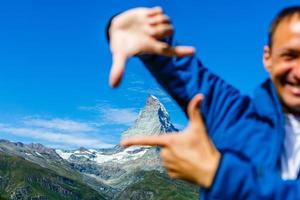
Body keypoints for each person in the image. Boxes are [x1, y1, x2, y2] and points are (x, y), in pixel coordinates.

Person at [107, 6, 300, 199]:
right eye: (289, 55)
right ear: (268, 58)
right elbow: (184, 73)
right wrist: (142, 36)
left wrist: (219, 175)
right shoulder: (235, 118)